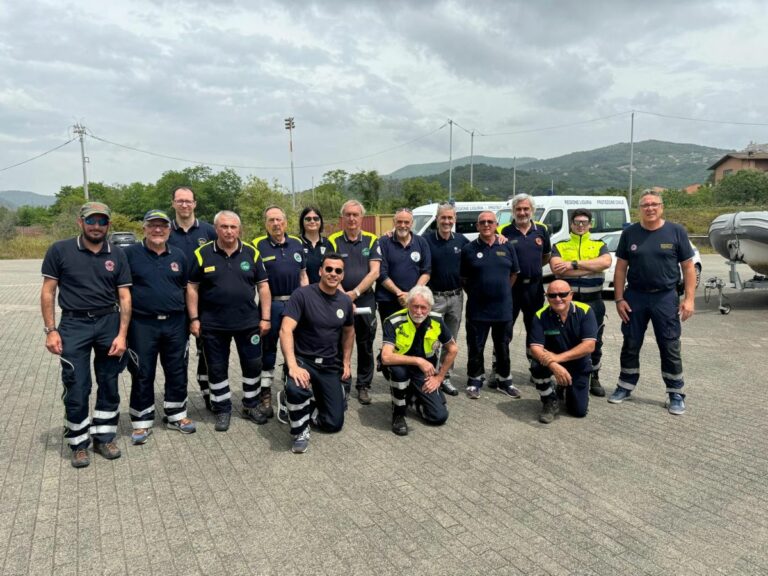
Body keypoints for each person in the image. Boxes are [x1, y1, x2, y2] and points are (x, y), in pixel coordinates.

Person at [40, 202, 132, 468]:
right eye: (91, 221)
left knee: (109, 383)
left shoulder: (117, 253)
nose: (96, 226)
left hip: (108, 323)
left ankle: (104, 437)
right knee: (77, 387)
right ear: (80, 222)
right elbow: (48, 291)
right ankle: (78, 443)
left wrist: (122, 334)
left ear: (108, 225)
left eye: (102, 221)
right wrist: (51, 330)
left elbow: (125, 296)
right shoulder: (60, 250)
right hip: (73, 324)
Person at [609, 190, 696, 415]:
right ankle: (625, 385)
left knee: (669, 344)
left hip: (665, 297)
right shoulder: (630, 233)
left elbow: (688, 267)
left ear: (662, 207)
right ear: (640, 209)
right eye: (645, 205)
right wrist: (619, 299)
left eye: (654, 204)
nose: (650, 208)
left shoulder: (676, 231)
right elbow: (620, 269)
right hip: (635, 296)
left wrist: (689, 299)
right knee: (630, 342)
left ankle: (675, 392)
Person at [186, 210, 272, 431]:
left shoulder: (252, 253)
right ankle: (222, 409)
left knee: (252, 365)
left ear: (239, 229)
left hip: (248, 323)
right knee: (216, 368)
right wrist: (194, 318)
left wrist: (265, 317)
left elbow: (263, 287)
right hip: (213, 325)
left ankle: (250, 405)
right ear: (216, 229)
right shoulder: (201, 254)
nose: (229, 231)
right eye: (224, 226)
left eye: (233, 227)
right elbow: (192, 287)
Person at [124, 210, 195, 445]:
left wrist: (192, 320)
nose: (157, 230)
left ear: (169, 230)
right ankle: (141, 421)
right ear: (143, 228)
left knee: (177, 370)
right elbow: (121, 293)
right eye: (152, 225)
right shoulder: (129, 254)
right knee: (142, 372)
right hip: (142, 324)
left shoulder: (180, 256)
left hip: (176, 323)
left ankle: (176, 415)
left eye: (162, 226)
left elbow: (187, 290)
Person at [278, 253, 354, 453]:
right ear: (320, 271)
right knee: (297, 388)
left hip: (329, 364)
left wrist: (346, 362)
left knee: (334, 423)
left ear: (342, 275)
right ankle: (300, 430)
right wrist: (293, 366)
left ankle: (295, 405)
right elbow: (286, 330)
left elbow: (349, 332)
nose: (333, 274)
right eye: (328, 269)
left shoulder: (345, 302)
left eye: (338, 271)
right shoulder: (302, 295)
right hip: (304, 361)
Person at [252, 206, 308, 419]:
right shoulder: (258, 245)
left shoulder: (297, 243)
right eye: (271, 220)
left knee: (295, 348)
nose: (276, 224)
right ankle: (265, 392)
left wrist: (307, 303)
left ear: (285, 222)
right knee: (267, 351)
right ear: (266, 223)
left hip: (295, 304)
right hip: (271, 306)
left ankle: (291, 387)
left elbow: (303, 276)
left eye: (279, 219)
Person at [549, 208, 612, 397]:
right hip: (567, 303)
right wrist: (589, 266)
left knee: (594, 341)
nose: (581, 225)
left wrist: (573, 265)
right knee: (564, 341)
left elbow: (605, 263)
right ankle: (563, 379)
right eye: (577, 222)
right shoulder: (560, 245)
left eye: (584, 222)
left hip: (593, 302)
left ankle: (594, 377)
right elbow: (557, 270)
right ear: (572, 224)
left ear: (590, 224)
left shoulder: (599, 244)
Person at [380, 286, 458, 436]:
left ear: (430, 308)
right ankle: (398, 414)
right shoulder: (393, 321)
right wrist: (418, 360)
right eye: (415, 306)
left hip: (422, 372)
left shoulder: (436, 320)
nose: (419, 311)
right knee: (399, 373)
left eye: (423, 307)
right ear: (408, 304)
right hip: (398, 366)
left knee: (439, 415)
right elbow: (386, 357)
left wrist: (439, 377)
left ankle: (412, 398)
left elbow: (453, 349)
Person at [167, 186, 218, 410]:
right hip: (174, 303)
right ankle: (177, 402)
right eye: (180, 201)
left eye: (188, 201)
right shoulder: (164, 230)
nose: (184, 205)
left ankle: (209, 395)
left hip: (205, 303)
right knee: (177, 355)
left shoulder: (208, 231)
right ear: (173, 204)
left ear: (195, 204)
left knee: (207, 352)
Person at [460, 211, 520, 399]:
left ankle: (504, 381)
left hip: (503, 308)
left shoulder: (507, 246)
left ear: (496, 225)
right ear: (477, 226)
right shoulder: (468, 249)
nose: (486, 225)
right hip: (477, 309)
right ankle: (474, 381)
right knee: (476, 346)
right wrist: (479, 292)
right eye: (482, 222)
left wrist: (500, 291)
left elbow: (514, 274)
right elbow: (463, 278)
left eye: (490, 222)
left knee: (503, 346)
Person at [328, 200, 381, 405]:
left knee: (365, 343)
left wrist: (355, 293)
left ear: (361, 218)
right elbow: (330, 271)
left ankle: (364, 386)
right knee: (341, 343)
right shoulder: (333, 240)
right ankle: (343, 383)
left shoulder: (371, 240)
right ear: (343, 218)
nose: (351, 218)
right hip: (338, 298)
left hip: (366, 298)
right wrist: (344, 296)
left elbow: (375, 271)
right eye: (348, 215)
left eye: (355, 215)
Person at [497, 193, 551, 386]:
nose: (522, 212)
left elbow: (545, 256)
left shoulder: (542, 230)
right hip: (511, 288)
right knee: (504, 330)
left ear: (532, 211)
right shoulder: (503, 230)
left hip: (534, 289)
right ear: (513, 211)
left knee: (535, 330)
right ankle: (500, 369)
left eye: (526, 209)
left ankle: (535, 367)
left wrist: (532, 268)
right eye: (518, 209)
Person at [529, 280, 598, 424]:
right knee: (536, 364)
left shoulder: (586, 311)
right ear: (547, 297)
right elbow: (535, 348)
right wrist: (554, 365)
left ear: (571, 295)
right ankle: (549, 400)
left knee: (578, 411)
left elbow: (589, 346)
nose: (558, 299)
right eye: (552, 295)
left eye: (563, 294)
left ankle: (564, 387)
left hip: (577, 361)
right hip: (551, 362)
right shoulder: (540, 315)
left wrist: (558, 358)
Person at [424, 203, 469, 396]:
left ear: (455, 220)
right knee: (431, 339)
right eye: (443, 218)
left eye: (450, 218)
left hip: (456, 297)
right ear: (437, 218)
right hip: (434, 297)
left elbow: (481, 246)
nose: (447, 221)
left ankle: (445, 377)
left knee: (450, 340)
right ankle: (428, 375)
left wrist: (499, 237)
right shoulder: (425, 240)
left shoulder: (462, 240)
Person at [375, 207, 431, 325]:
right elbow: (381, 273)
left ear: (412, 223)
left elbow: (426, 272)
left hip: (415, 301)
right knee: (391, 338)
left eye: (406, 222)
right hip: (388, 300)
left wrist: (411, 295)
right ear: (394, 223)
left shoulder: (421, 242)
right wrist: (399, 293)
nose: (403, 225)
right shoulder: (383, 242)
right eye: (399, 222)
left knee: (414, 338)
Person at [299, 206, 334, 284]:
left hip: (325, 292)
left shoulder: (328, 243)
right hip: (303, 292)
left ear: (320, 221)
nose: (312, 221)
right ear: (302, 221)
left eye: (316, 218)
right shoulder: (296, 243)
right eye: (308, 219)